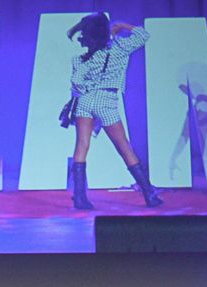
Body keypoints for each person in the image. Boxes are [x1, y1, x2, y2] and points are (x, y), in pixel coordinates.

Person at [65, 13, 163, 210]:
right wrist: (124, 26)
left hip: (85, 101)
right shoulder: (119, 48)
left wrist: (88, 90)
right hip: (106, 100)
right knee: (124, 147)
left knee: (82, 146)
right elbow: (143, 35)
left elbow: (76, 84)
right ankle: (149, 195)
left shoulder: (80, 59)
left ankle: (80, 198)